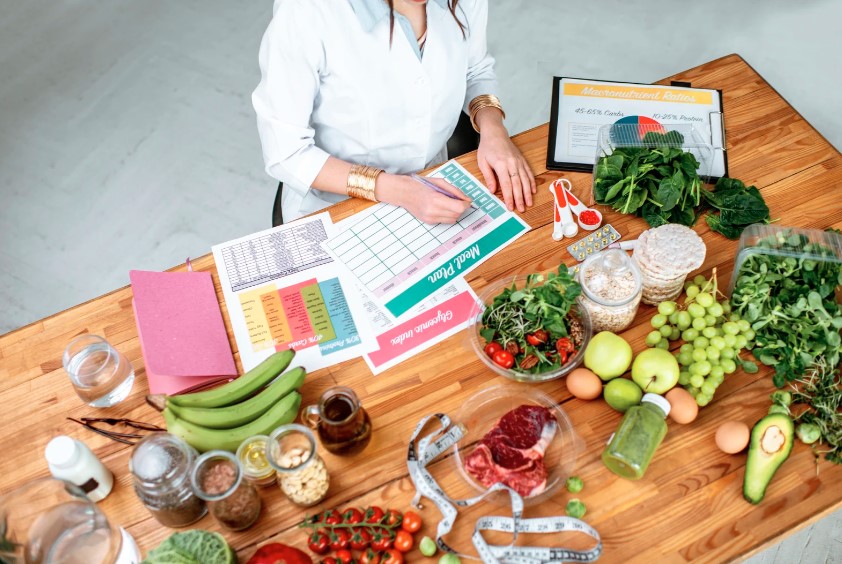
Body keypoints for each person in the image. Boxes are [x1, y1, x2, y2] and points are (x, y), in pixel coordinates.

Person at [252, 0, 536, 224]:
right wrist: (401, 190)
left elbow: (475, 69)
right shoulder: (306, 11)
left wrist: (494, 130)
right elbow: (286, 152)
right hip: (336, 204)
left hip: (433, 183)